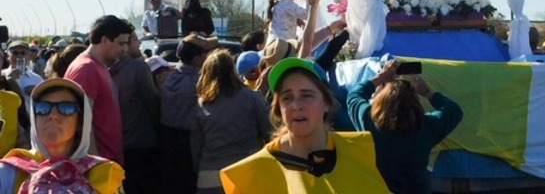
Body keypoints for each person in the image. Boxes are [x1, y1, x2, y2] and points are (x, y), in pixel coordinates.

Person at [219, 57, 390, 193]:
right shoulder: (253, 174)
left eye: (306, 95)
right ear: (279, 109)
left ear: (327, 103)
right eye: (287, 97)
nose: (296, 105)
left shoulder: (358, 150)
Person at [347, 60, 464, 194]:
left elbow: (354, 96)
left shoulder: (369, 121)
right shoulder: (427, 127)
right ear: (416, 103)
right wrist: (428, 93)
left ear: (380, 101)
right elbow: (454, 110)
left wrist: (380, 78)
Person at [0, 78, 124, 193]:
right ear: (34, 118)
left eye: (66, 108)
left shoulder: (103, 173)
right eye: (43, 108)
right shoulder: (9, 172)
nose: (53, 115)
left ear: (80, 122)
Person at [191, 49, 272, 194]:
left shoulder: (203, 103)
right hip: (246, 172)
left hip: (210, 176)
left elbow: (196, 144)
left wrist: (200, 169)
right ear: (232, 70)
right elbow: (270, 133)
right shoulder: (251, 98)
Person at [65, 15, 133, 165]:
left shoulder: (98, 66)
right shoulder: (86, 69)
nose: (125, 49)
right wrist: (95, 165)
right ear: (104, 40)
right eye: (121, 43)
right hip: (98, 165)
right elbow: (82, 123)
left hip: (107, 162)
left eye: (126, 44)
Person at [159, 33, 218, 194]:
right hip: (190, 142)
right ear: (196, 59)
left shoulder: (170, 76)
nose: (207, 57)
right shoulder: (201, 82)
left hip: (167, 140)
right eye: (204, 54)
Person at [109, 29, 160, 194]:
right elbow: (152, 101)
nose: (139, 44)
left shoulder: (108, 68)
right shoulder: (138, 67)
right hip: (141, 141)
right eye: (136, 40)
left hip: (117, 143)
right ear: (125, 44)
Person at [2, 41, 44, 113]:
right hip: (6, 120)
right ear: (8, 56)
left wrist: (38, 92)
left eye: (23, 53)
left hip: (28, 122)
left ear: (28, 56)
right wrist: (7, 79)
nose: (19, 56)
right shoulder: (2, 75)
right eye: (15, 53)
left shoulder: (37, 79)